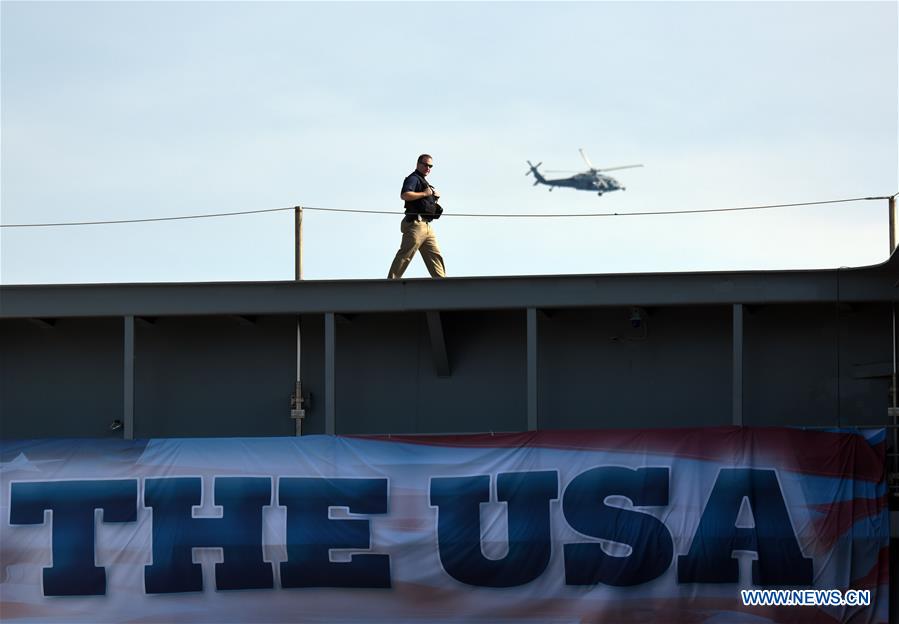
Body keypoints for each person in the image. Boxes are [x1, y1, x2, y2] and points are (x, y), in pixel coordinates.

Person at [387, 154, 446, 279]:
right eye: (425, 165)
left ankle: (443, 283)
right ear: (418, 164)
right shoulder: (413, 179)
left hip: (426, 226)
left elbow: (424, 204)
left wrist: (434, 198)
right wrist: (425, 193)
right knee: (405, 255)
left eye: (430, 166)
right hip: (416, 224)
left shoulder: (424, 181)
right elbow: (405, 195)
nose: (428, 168)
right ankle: (390, 283)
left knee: (435, 256)